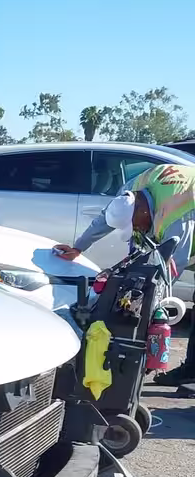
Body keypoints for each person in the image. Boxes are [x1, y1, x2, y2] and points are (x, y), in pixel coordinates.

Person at [55, 163, 195, 386]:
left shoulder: (175, 214)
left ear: (142, 211)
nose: (136, 231)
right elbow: (106, 218)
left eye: (135, 225)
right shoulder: (130, 192)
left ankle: (192, 374)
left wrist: (148, 308)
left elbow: (171, 268)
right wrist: (79, 247)